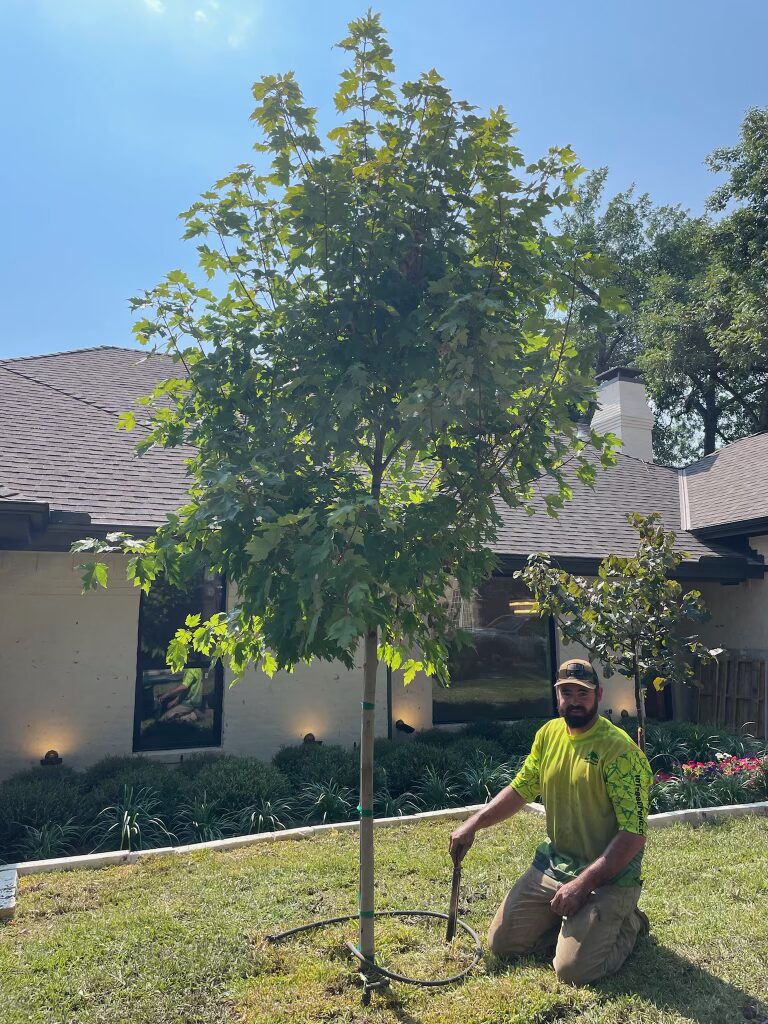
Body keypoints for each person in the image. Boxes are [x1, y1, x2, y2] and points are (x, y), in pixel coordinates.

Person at [449, 658, 653, 985]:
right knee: (503, 944)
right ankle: (573, 926)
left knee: (573, 972)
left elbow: (634, 835)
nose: (574, 701)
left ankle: (628, 922)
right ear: (557, 696)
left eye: (582, 694)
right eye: (566, 693)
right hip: (555, 865)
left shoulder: (620, 752)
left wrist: (582, 885)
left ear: (598, 695)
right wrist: (472, 824)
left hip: (607, 879)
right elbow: (520, 790)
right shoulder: (548, 735)